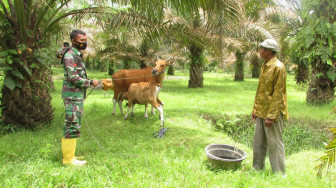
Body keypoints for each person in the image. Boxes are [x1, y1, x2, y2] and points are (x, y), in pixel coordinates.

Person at [61, 30, 99, 166]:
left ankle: (71, 155)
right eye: (81, 40)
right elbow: (73, 78)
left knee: (75, 123)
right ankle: (68, 160)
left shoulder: (77, 54)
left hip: (76, 95)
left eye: (85, 40)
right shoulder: (70, 55)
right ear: (73, 41)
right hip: (72, 95)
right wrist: (90, 82)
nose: (84, 42)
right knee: (71, 124)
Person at [251, 38, 289, 174]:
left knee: (275, 143)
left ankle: (279, 173)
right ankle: (257, 168)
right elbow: (261, 90)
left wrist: (271, 116)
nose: (260, 51)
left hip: (273, 113)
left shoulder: (278, 67)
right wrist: (255, 109)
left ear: (270, 51)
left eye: (263, 49)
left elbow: (278, 93)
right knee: (258, 142)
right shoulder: (265, 65)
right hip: (262, 110)